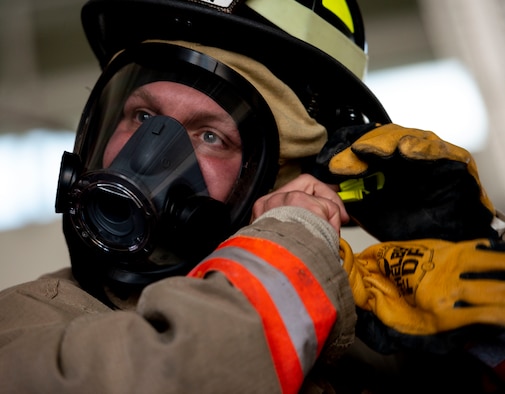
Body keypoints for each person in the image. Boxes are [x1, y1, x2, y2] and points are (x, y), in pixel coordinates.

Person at [0, 0, 504, 393]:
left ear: (279, 181)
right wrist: (295, 253)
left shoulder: (375, 343)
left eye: (211, 136)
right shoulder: (21, 326)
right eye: (143, 117)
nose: (148, 157)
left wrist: (479, 325)